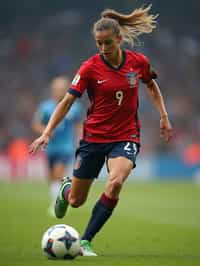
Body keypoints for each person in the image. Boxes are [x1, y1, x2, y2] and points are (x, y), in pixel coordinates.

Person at [29, 5, 173, 255]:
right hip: (94, 137)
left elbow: (151, 86)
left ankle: (85, 240)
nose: (104, 49)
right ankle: (66, 189)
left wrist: (163, 115)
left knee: (115, 182)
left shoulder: (138, 62)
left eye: (108, 43)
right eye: (99, 43)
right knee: (76, 201)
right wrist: (47, 132)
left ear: (119, 39)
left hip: (126, 135)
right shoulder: (89, 68)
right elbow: (66, 101)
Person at [31, 76, 82, 216]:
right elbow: (35, 124)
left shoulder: (75, 107)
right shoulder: (45, 107)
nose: (58, 91)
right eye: (56, 89)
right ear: (52, 90)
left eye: (61, 89)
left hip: (66, 147)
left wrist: (80, 139)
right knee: (51, 177)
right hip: (49, 148)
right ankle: (59, 199)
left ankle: (56, 206)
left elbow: (78, 125)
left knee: (58, 174)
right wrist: (45, 132)